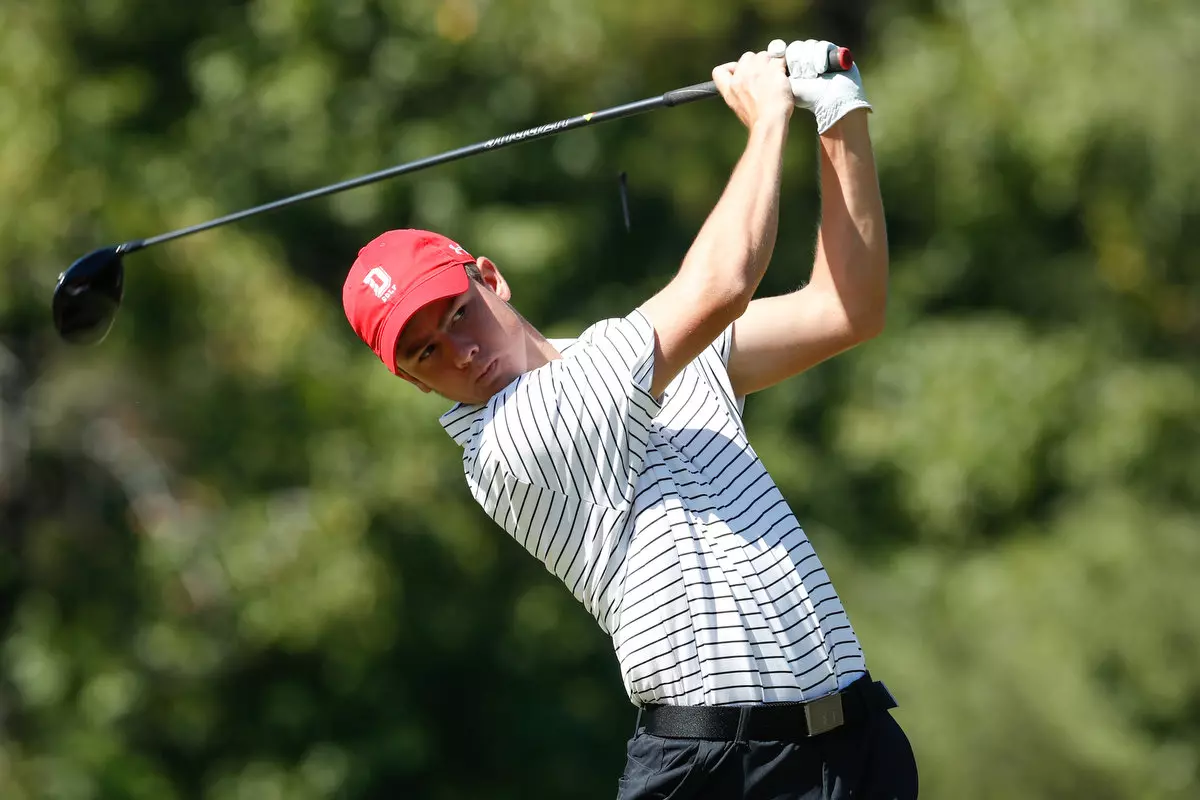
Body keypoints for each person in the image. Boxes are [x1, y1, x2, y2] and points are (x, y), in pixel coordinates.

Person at [342, 37, 917, 800]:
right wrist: (771, 114)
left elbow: (846, 309)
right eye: (424, 353)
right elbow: (723, 282)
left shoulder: (640, 364)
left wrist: (839, 111)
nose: (458, 352)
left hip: (853, 746)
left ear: (491, 278)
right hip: (721, 773)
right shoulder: (520, 437)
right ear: (415, 383)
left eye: (455, 314)